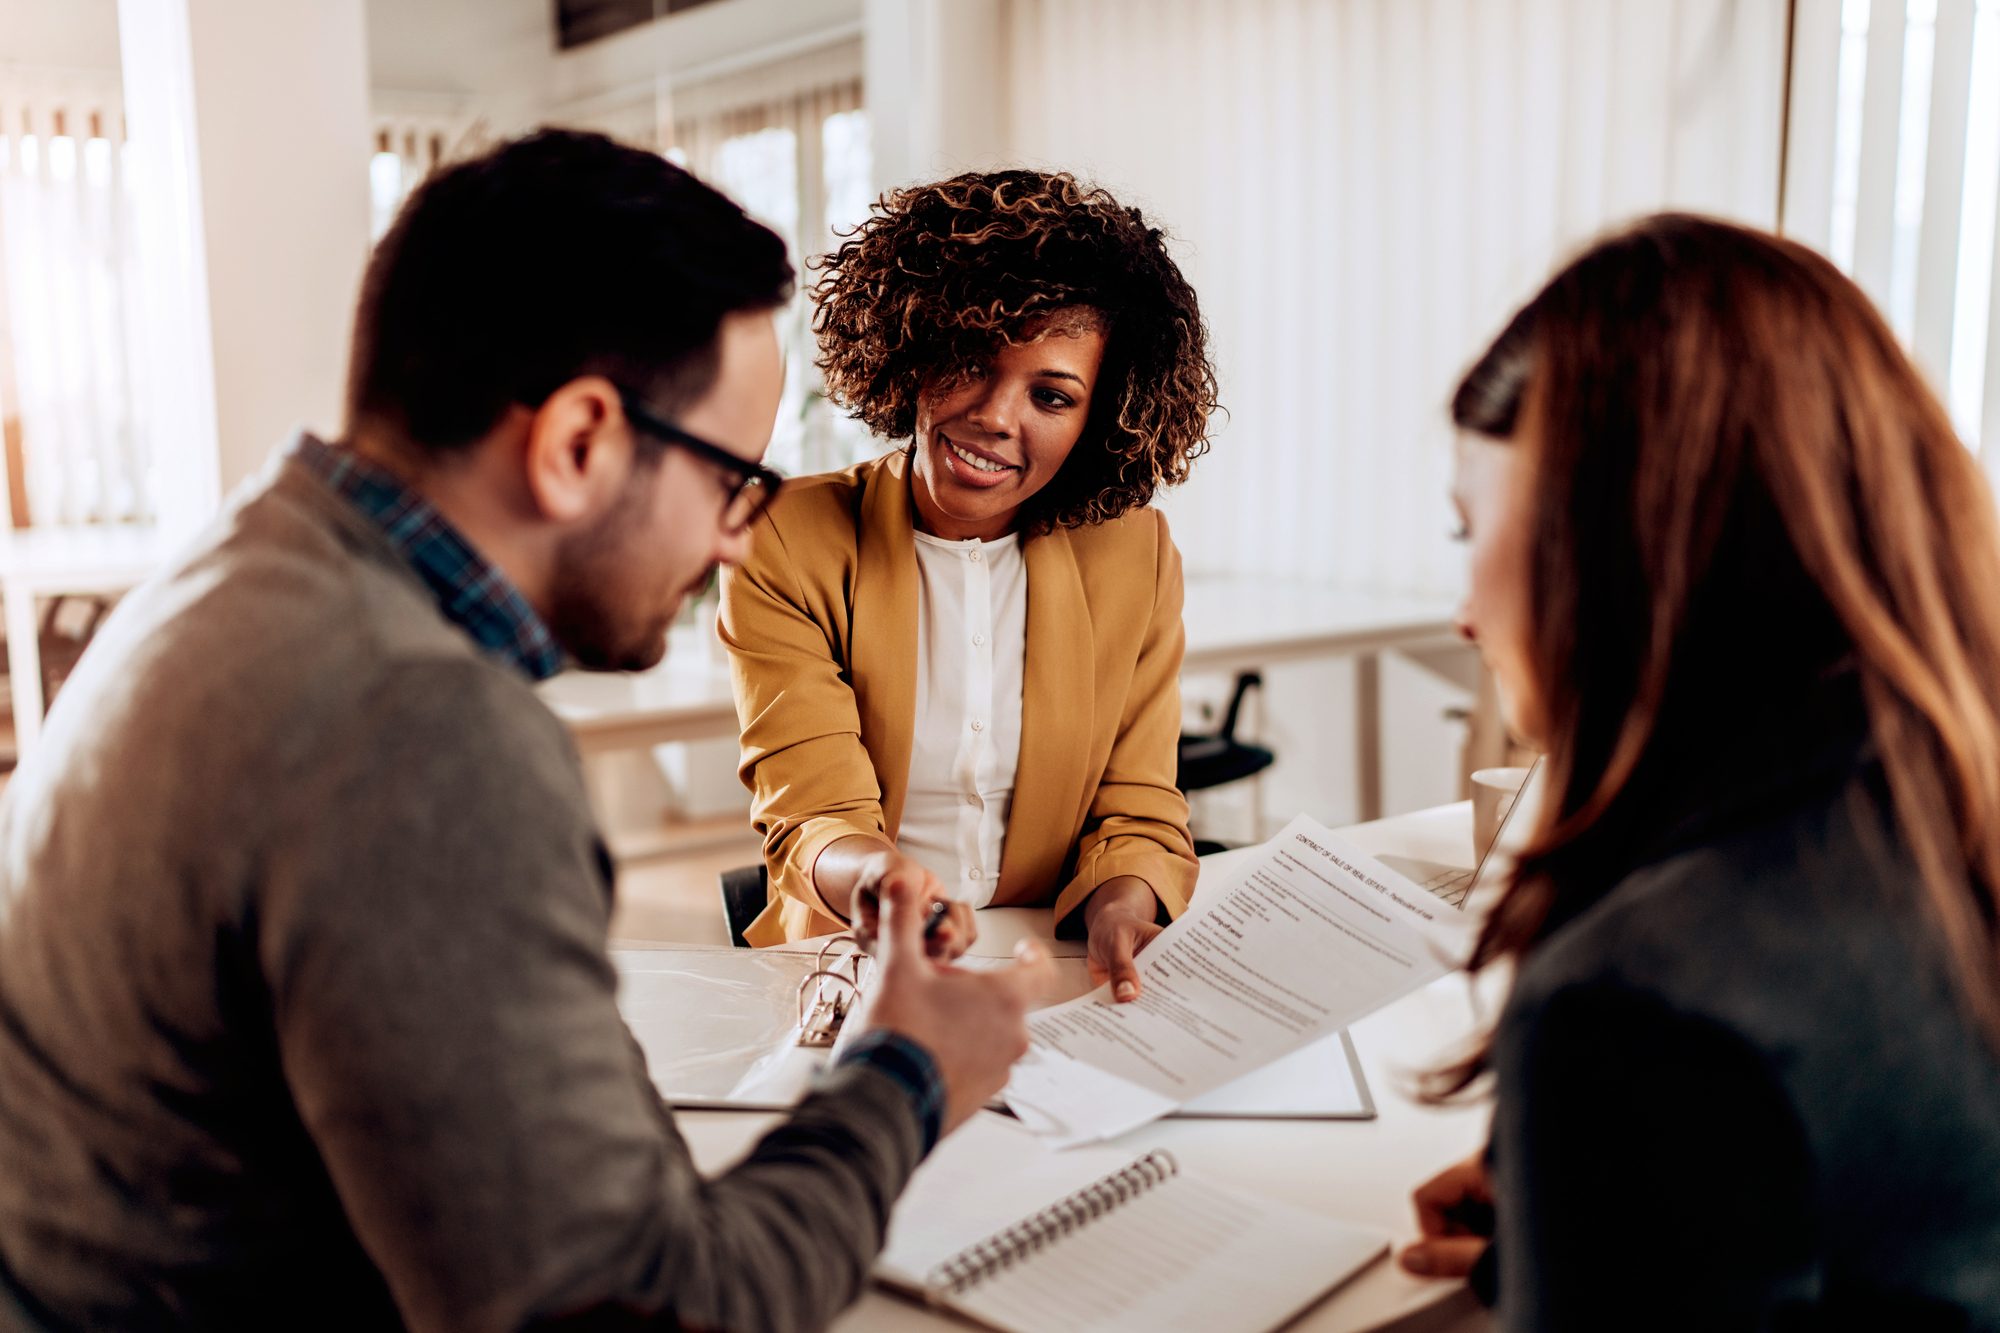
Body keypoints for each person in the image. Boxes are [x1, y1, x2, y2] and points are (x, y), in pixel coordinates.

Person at [0, 129, 1052, 1333]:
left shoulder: (236, 572)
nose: (738, 540)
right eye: (730, 480)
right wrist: (905, 1075)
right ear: (577, 444)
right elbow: (636, 1314)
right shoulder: (416, 731)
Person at [1398, 214, 2000, 1328]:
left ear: (1610, 545)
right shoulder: (1945, 801)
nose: (1464, 614)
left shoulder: (1636, 1002)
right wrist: (1603, 1233)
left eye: (1467, 530)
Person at [719, 169, 1219, 1001]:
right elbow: (814, 814)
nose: (995, 415)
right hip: (857, 964)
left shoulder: (1134, 553)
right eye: (971, 361)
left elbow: (1137, 805)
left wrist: (1125, 900)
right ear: (913, 350)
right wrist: (887, 889)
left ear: (1098, 419)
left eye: (1051, 395)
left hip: (1058, 974)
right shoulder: (785, 538)